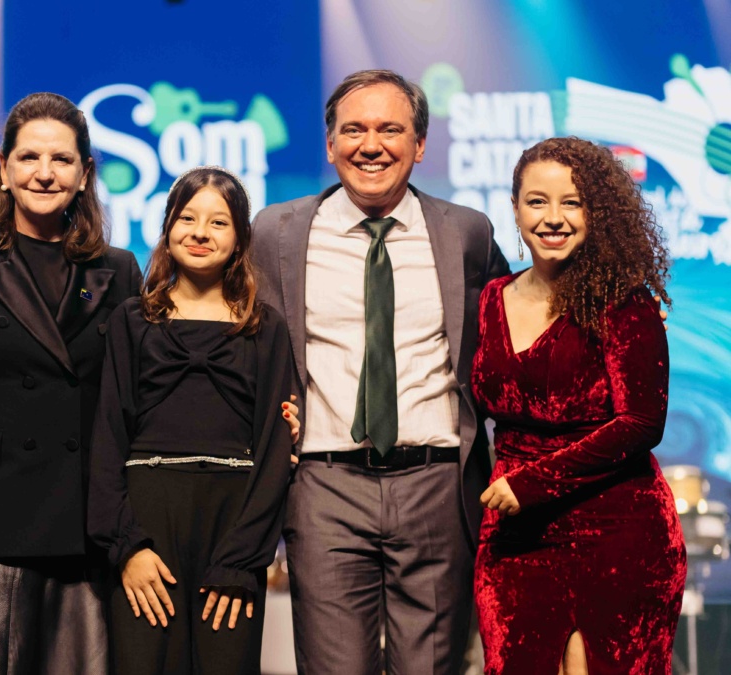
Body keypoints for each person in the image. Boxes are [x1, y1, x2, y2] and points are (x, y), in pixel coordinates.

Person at [251, 69, 511, 674]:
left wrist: (612, 300)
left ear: (419, 145)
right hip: (323, 486)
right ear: (330, 143)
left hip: (438, 484)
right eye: (354, 130)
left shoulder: (466, 232)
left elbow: (524, 314)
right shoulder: (277, 232)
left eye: (390, 129)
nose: (371, 145)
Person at [0, 92, 142, 675]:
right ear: (3, 166)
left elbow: (136, 391)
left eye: (62, 160)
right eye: (29, 158)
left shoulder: (117, 269)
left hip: (82, 515)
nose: (45, 173)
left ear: (85, 172)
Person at [472, 137, 686, 674]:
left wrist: (532, 483)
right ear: (516, 207)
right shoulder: (491, 296)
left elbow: (641, 422)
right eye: (537, 201)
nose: (554, 218)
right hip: (515, 538)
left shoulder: (625, 299)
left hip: (618, 529)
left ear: (599, 212)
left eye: (573, 202)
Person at [89, 166, 294, 675]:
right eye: (187, 217)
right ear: (166, 228)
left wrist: (242, 559)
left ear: (242, 238)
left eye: (218, 222)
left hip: (233, 522)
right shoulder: (131, 321)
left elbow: (273, 451)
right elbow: (108, 439)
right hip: (148, 522)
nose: (200, 232)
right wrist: (127, 545)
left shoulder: (266, 330)